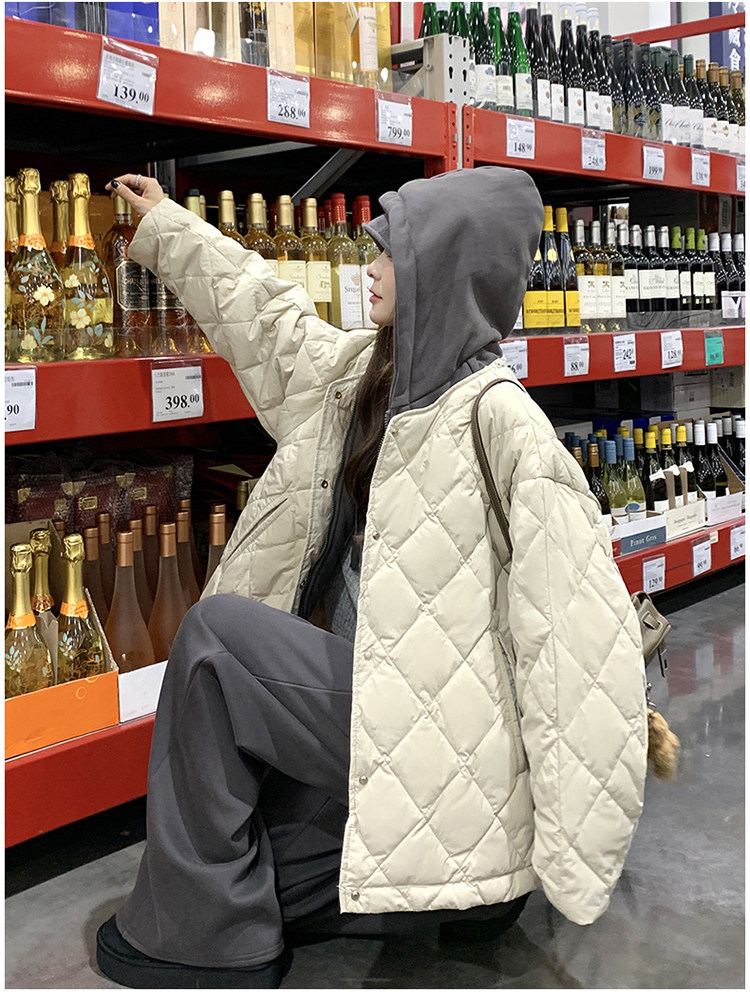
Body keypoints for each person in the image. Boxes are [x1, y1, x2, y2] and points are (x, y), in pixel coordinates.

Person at [95, 167, 648, 989]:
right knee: (260, 866)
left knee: (216, 641)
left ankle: (210, 942)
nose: (371, 268)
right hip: (380, 709)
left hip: (436, 723)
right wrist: (168, 227)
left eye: (392, 253)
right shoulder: (365, 376)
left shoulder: (504, 425)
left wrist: (567, 865)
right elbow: (269, 321)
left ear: (442, 271)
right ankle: (449, 895)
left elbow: (581, 654)